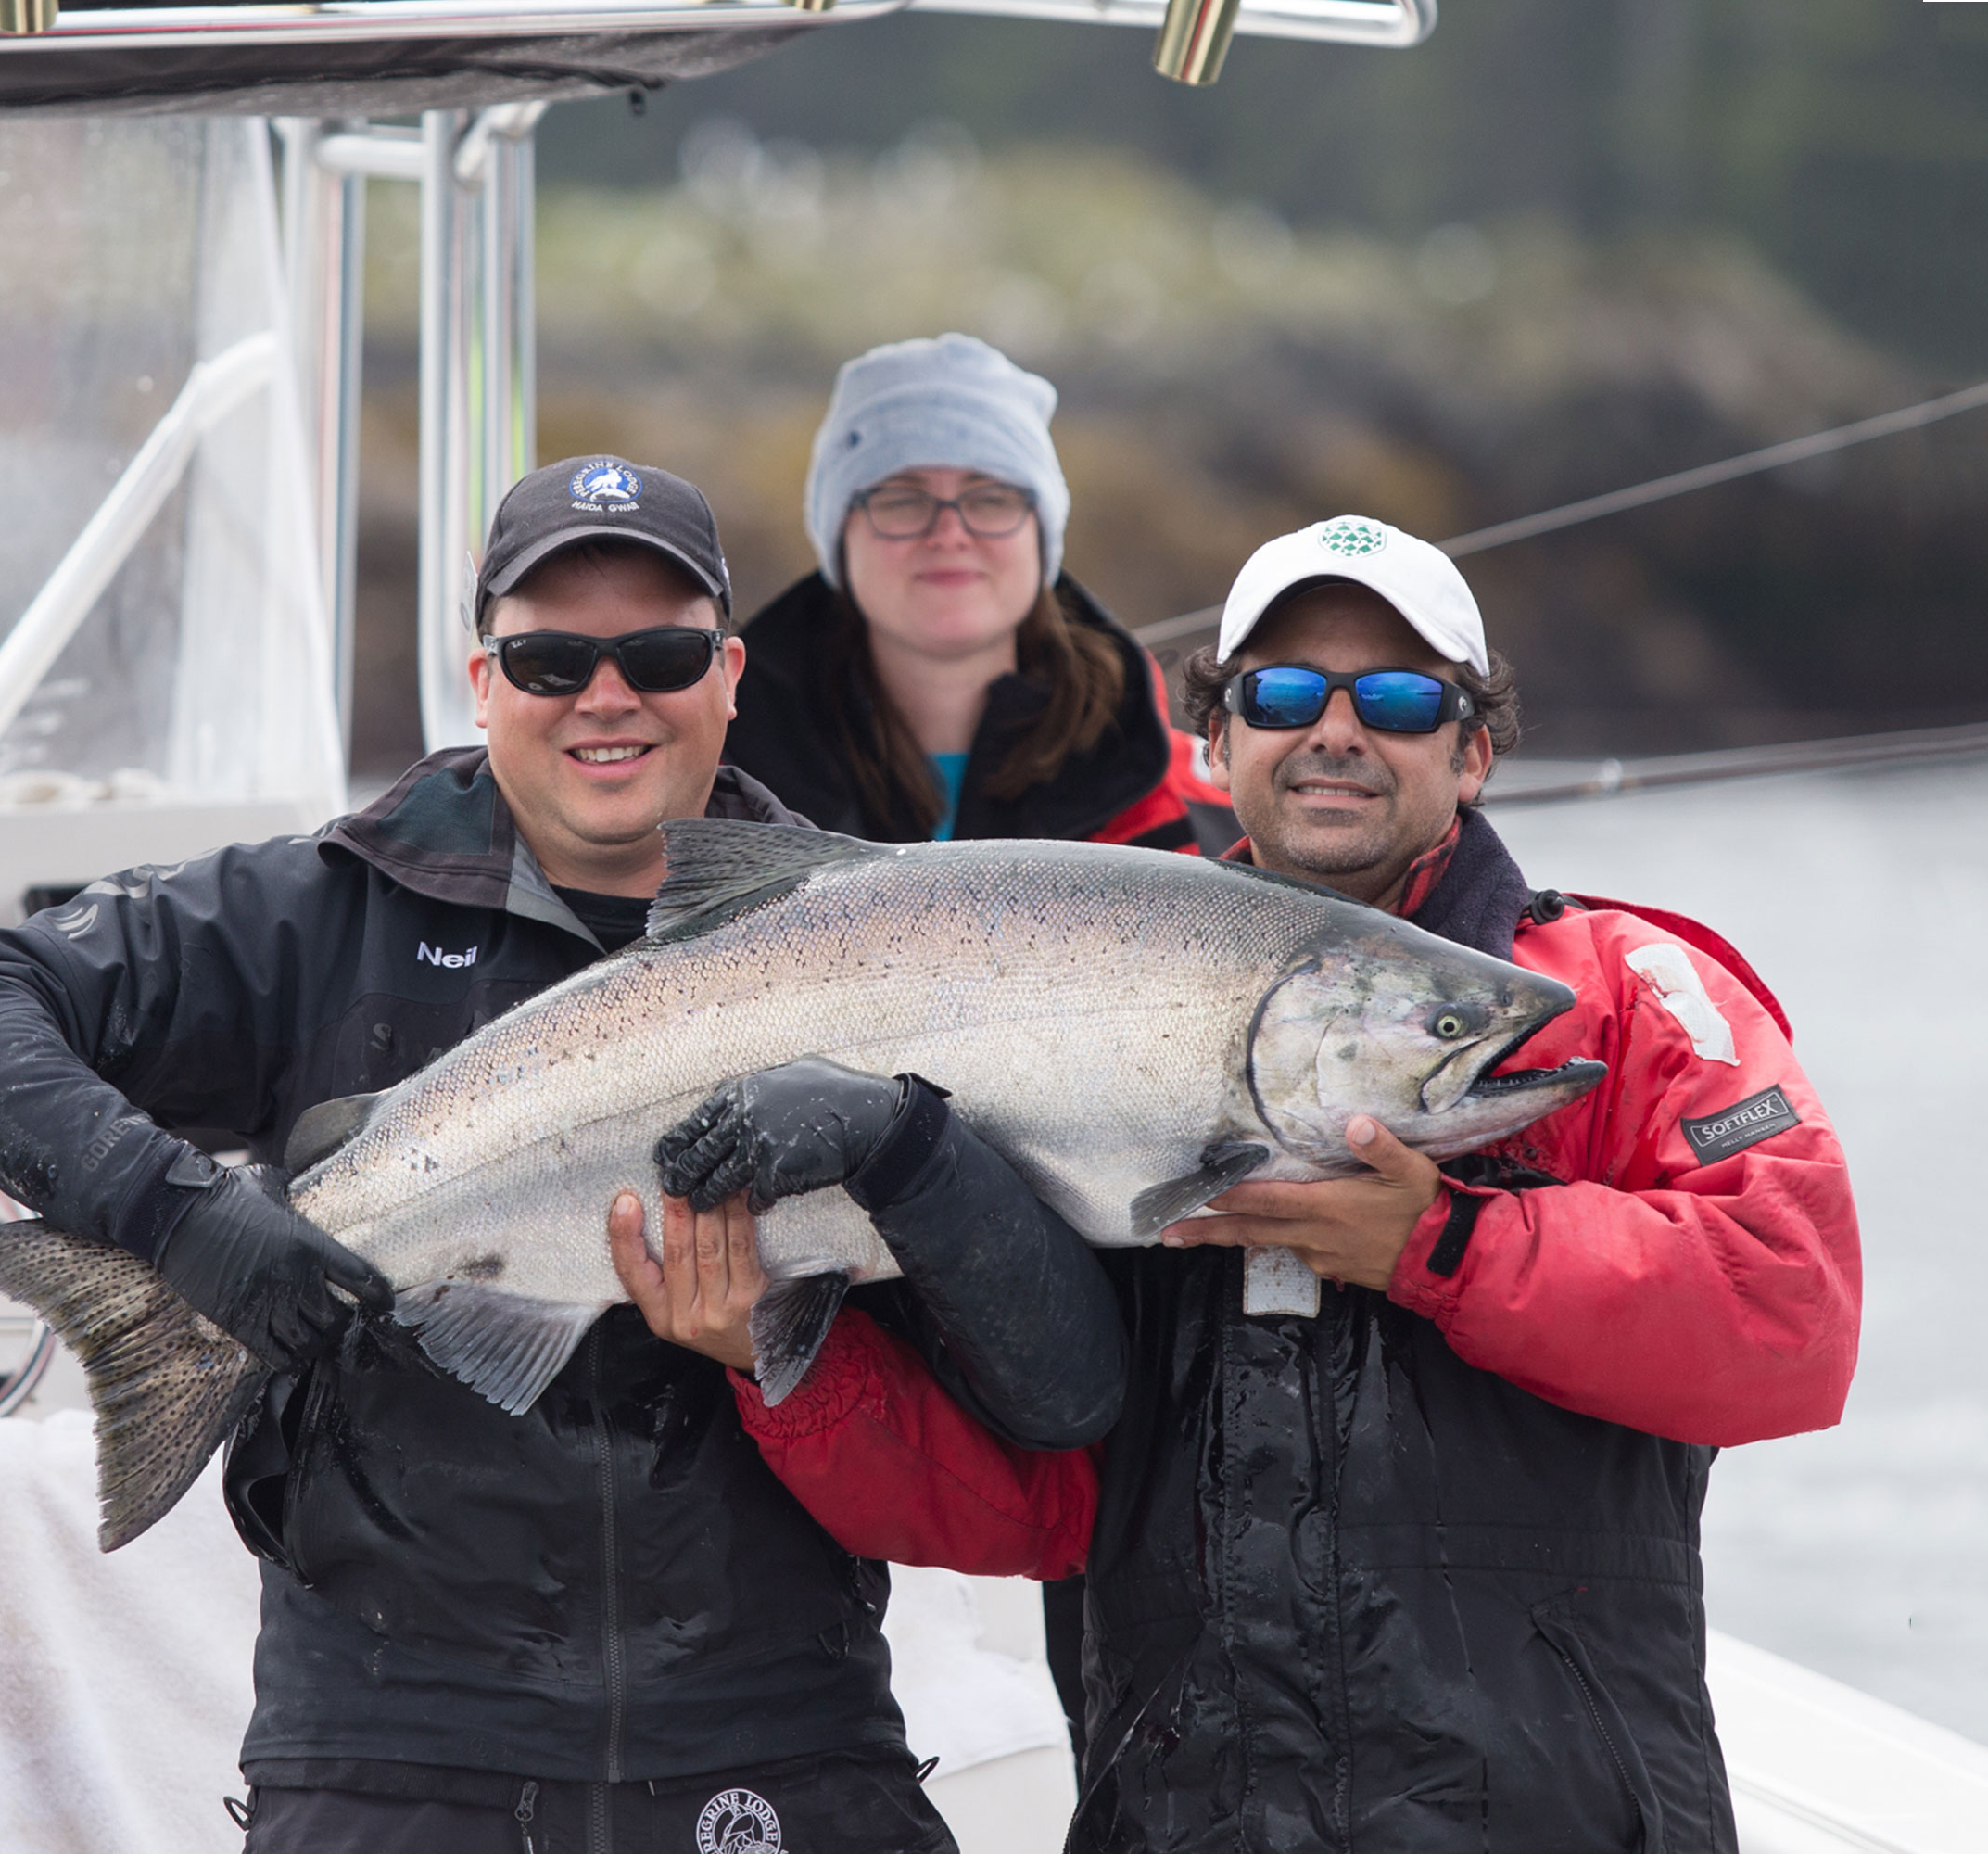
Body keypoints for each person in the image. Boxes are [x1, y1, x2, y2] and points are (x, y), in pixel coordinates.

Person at [0, 456, 1126, 1854]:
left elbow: (1060, 1389)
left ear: (729, 673)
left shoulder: (890, 934)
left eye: (657, 652)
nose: (607, 695)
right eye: (548, 656)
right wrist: (187, 1226)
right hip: (394, 1751)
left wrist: (890, 1182)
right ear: (481, 681)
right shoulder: (310, 916)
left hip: (782, 1729)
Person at [620, 515, 1863, 1852]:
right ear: (1216, 742)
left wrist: (1439, 1248)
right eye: (1279, 693)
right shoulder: (1074, 1010)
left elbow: (1794, 1314)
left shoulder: (1621, 996)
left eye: (1395, 696)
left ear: (1474, 749)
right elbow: (1030, 1502)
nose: (1334, 728)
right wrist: (777, 1362)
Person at [724, 333, 1231, 853]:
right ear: (839, 537)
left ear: (1041, 533)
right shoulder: (711, 800)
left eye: (991, 498)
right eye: (902, 499)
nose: (949, 533)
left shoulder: (1214, 804)